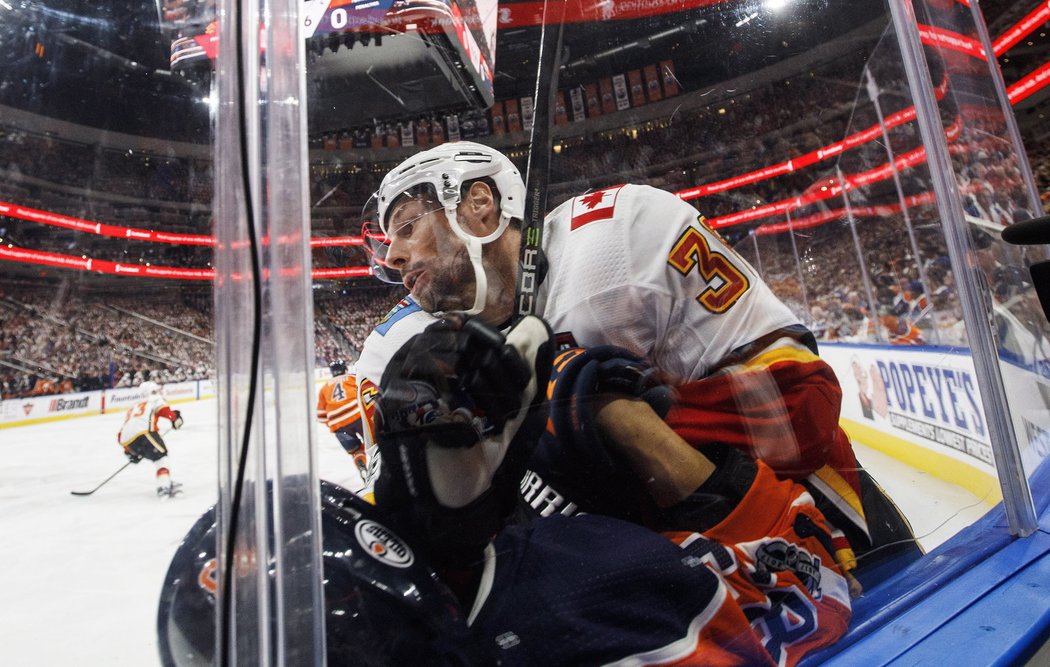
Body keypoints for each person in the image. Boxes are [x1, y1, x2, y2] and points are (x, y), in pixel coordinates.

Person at [359, 140, 920, 589]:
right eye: (389, 242)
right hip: (680, 600)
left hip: (836, 551)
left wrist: (610, 417)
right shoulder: (418, 345)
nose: (392, 257)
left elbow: (802, 408)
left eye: (407, 226)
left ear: (478, 203)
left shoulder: (614, 238)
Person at [157, 318, 851, 666]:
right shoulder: (589, 582)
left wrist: (443, 567)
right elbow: (809, 581)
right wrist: (625, 422)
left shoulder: (567, 583)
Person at [118, 381, 184, 497]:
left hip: (127, 440)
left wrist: (129, 451)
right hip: (144, 433)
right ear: (152, 391)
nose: (159, 392)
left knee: (158, 457)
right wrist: (175, 418)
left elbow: (121, 435)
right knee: (162, 458)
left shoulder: (134, 406)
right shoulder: (155, 399)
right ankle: (163, 485)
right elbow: (165, 412)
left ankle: (165, 480)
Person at [316, 359, 369, 483]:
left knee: (356, 451)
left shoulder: (324, 388)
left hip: (339, 426)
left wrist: (335, 423)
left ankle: (361, 464)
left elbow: (320, 416)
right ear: (345, 369)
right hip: (358, 416)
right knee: (376, 441)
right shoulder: (351, 377)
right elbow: (366, 392)